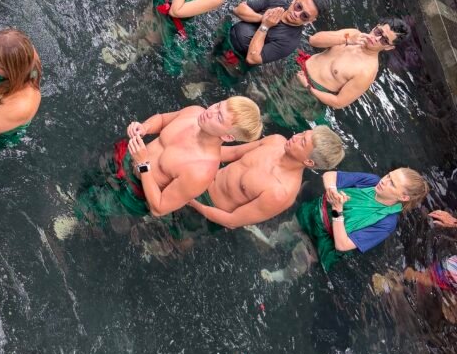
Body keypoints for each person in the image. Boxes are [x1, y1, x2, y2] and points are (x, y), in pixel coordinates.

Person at [89, 98, 263, 225]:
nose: (210, 111)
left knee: (87, 210)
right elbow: (163, 119)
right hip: (127, 156)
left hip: (133, 192)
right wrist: (144, 128)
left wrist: (143, 164)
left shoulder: (202, 170)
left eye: (218, 117)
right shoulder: (195, 112)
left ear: (227, 136)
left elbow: (159, 208)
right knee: (85, 179)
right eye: (218, 105)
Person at [262, 168, 429, 281]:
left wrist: (337, 209)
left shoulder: (386, 223)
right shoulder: (372, 181)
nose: (385, 181)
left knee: (300, 258)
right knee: (288, 228)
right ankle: (270, 241)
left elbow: (342, 244)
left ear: (404, 197)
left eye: (392, 183)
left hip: (324, 241)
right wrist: (332, 191)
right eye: (389, 176)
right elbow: (329, 176)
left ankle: (281, 276)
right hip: (314, 213)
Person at [190, 128, 345, 231]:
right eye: (303, 133)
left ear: (309, 162)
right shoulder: (276, 141)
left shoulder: (281, 192)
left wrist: (190, 200)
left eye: (302, 142)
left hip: (206, 210)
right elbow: (234, 152)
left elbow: (232, 221)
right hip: (200, 179)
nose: (296, 137)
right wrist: (195, 151)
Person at [266, 19, 410, 130]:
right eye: (378, 32)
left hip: (308, 93)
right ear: (375, 26)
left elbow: (339, 102)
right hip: (297, 65)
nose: (376, 39)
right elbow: (314, 40)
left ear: (389, 47)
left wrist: (308, 88)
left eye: (384, 40)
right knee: (256, 87)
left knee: (267, 115)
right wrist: (346, 40)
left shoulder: (366, 71)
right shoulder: (353, 34)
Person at [214, 0, 326, 80]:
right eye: (298, 6)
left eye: (305, 16)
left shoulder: (290, 41)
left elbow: (252, 58)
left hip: (233, 64)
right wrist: (262, 18)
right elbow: (238, 9)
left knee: (208, 76)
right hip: (224, 39)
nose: (297, 14)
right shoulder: (277, 2)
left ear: (310, 21)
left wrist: (265, 26)